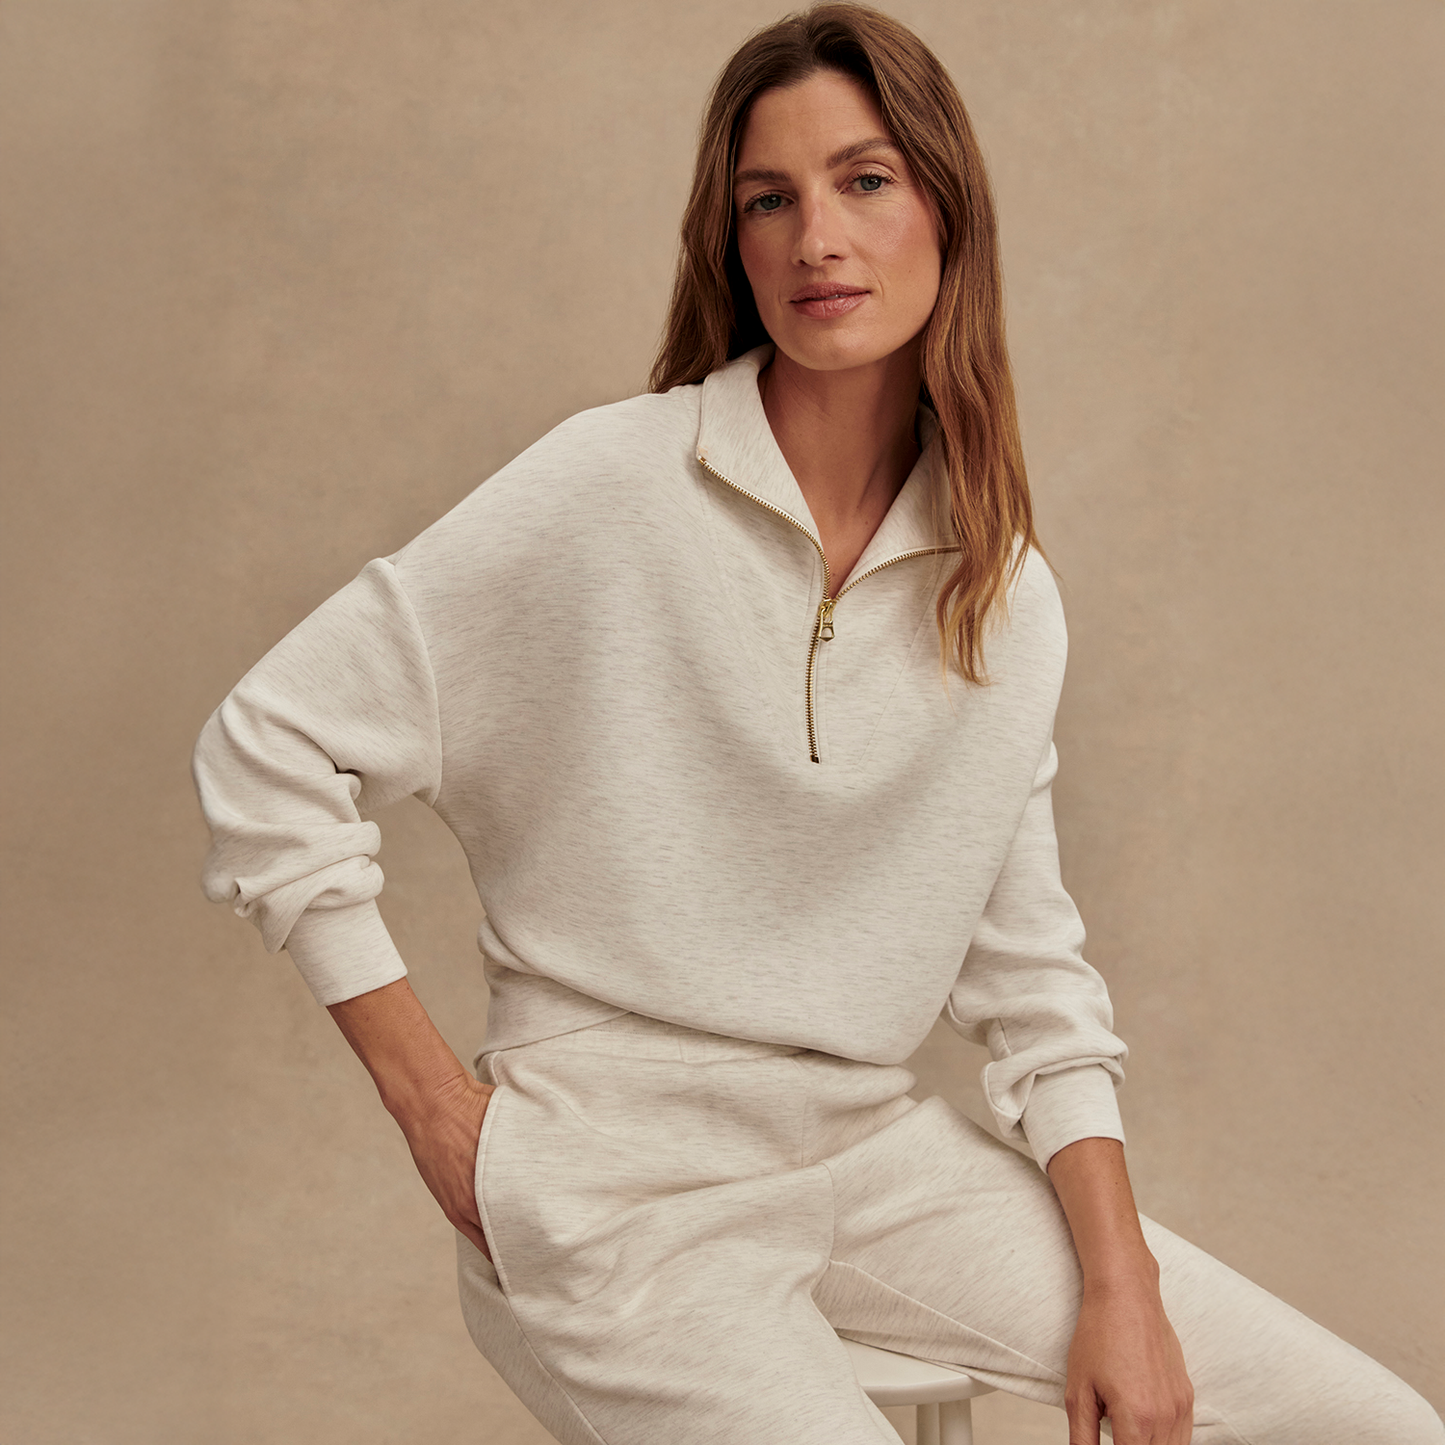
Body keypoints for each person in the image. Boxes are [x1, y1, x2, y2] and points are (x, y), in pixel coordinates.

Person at [190, 6, 1443, 1443]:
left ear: (948, 212)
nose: (815, 239)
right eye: (767, 201)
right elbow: (268, 745)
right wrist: (440, 1120)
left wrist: (1124, 1284)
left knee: (1375, 1427)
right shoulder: (611, 488)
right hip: (608, 1184)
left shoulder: (1002, 596)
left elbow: (1031, 979)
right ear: (730, 243)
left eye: (864, 181)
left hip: (868, 1162)